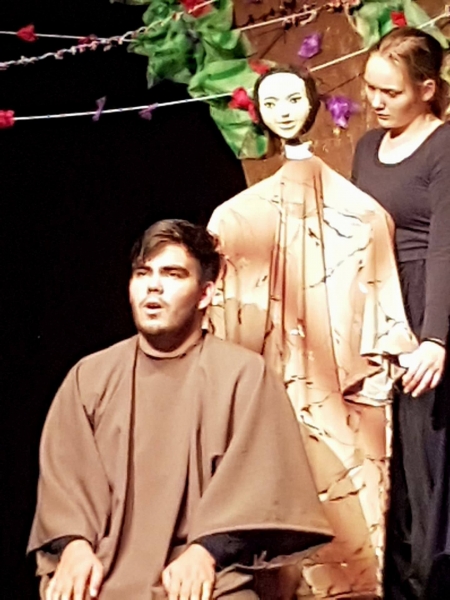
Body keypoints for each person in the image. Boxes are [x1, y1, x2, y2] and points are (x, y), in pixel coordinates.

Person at [27, 220, 333, 600]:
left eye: (172, 274)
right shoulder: (89, 376)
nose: (153, 286)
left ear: (205, 294)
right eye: (143, 274)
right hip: (100, 570)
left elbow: (260, 487)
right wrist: (74, 546)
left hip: (208, 574)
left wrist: (206, 552)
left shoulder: (244, 376)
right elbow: (65, 482)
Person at [207, 67, 417, 598]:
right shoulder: (234, 219)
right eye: (271, 102)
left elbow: (383, 314)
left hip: (345, 390)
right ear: (259, 112)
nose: (283, 111)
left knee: (353, 509)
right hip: (269, 383)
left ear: (313, 103)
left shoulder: (363, 213)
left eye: (293, 99)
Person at [351, 26, 450, 599]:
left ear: (427, 89)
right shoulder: (367, 148)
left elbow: (445, 247)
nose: (376, 101)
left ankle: (431, 582)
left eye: (390, 92)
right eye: (370, 89)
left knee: (424, 460)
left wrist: (435, 338)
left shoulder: (444, 147)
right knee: (384, 459)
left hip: (426, 306)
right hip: (379, 305)